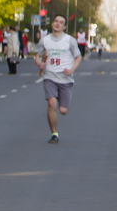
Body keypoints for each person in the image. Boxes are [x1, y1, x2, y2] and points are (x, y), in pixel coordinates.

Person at [34, 14, 82, 144]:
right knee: (51, 103)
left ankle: (62, 99)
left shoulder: (69, 40)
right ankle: (54, 133)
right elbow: (37, 56)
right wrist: (39, 64)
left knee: (63, 111)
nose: (57, 24)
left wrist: (71, 70)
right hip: (50, 76)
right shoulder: (44, 40)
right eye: (56, 21)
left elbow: (78, 57)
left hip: (65, 78)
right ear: (52, 24)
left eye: (61, 22)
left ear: (64, 26)